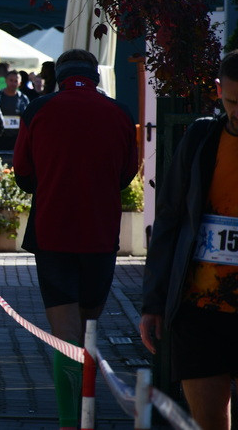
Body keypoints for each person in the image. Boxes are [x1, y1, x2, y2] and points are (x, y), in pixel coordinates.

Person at [14, 49, 138, 430]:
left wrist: (50, 184)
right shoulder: (119, 113)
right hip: (100, 234)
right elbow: (126, 174)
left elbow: (22, 174)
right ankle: (88, 412)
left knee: (64, 332)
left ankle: (72, 419)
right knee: (88, 328)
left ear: (58, 76)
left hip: (53, 232)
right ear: (95, 77)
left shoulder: (37, 110)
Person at [140, 50, 238, 430]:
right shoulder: (201, 138)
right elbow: (168, 219)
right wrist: (153, 302)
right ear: (218, 92)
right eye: (232, 102)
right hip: (199, 311)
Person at [0, 67, 29, 155]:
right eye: (11, 80)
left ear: (20, 83)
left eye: (16, 81)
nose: (13, 83)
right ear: (6, 81)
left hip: (17, 139)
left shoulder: (23, 99)